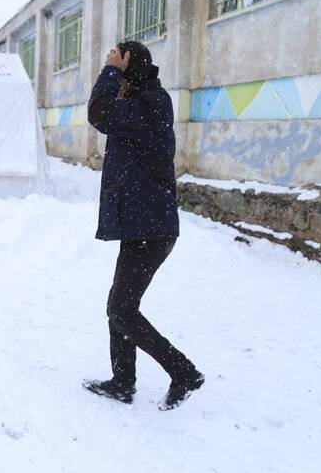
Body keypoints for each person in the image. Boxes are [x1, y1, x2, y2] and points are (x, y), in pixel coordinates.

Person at [82, 41, 203, 411]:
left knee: (121, 309)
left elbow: (98, 113)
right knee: (118, 306)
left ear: (131, 69)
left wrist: (111, 71)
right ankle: (123, 381)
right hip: (143, 225)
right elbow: (107, 112)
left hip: (152, 230)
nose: (116, 83)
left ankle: (184, 372)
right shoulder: (142, 102)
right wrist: (118, 74)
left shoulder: (151, 103)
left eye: (120, 70)